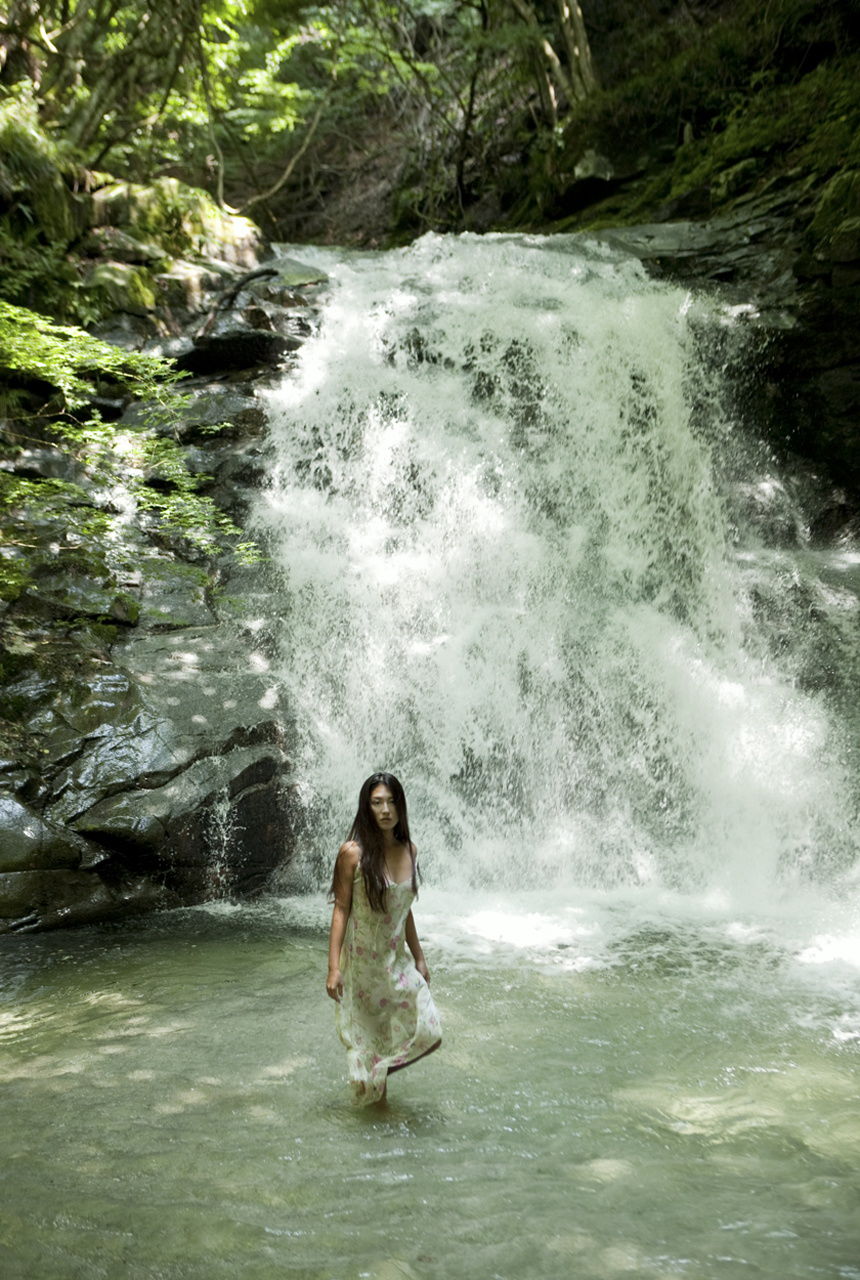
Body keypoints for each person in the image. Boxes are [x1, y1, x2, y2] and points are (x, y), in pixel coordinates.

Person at [326, 772, 442, 1105]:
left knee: (431, 1032)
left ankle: (373, 1074)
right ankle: (376, 1118)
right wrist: (333, 968)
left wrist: (419, 955)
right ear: (367, 807)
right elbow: (341, 910)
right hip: (363, 968)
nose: (386, 810)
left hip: (396, 962)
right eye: (377, 803)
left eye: (392, 802)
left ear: (401, 807)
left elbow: (403, 909)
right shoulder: (352, 854)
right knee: (373, 1043)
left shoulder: (409, 849)